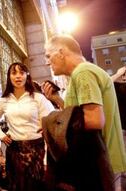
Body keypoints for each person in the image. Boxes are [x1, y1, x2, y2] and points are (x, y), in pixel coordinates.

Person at [43, 34, 126, 190]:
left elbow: (94, 120)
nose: (47, 62)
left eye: (48, 55)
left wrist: (52, 125)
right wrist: (57, 100)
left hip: (98, 165)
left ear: (61, 52)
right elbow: (78, 114)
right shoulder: (84, 72)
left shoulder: (83, 73)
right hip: (102, 162)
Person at [0, 62, 55, 191]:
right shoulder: (4, 100)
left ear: (27, 75)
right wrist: (0, 134)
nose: (18, 76)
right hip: (14, 152)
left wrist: (46, 160)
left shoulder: (38, 98)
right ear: (9, 77)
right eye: (14, 73)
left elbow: (50, 125)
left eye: (21, 72)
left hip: (37, 152)